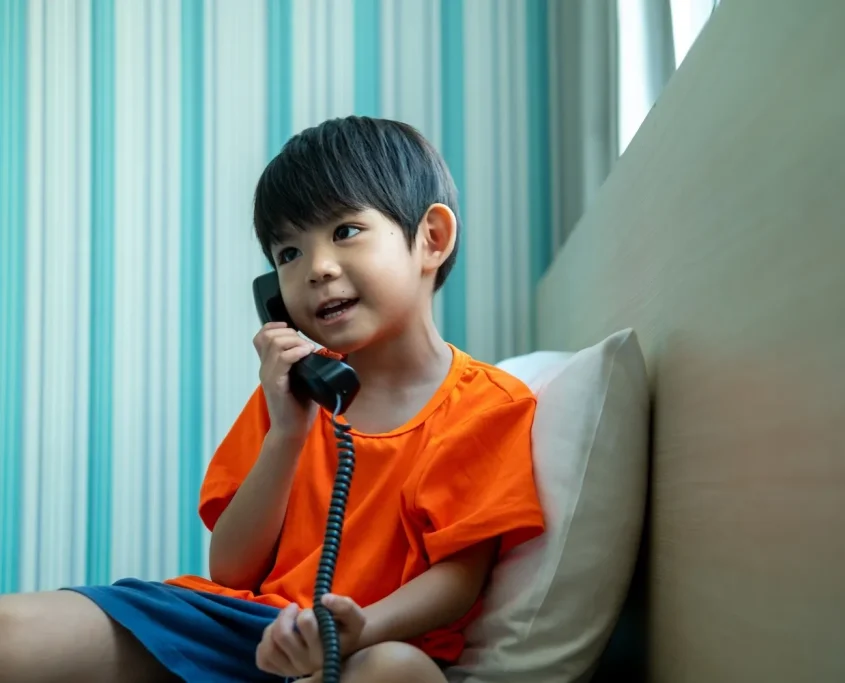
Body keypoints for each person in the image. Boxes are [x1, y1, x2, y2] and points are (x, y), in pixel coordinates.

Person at [0, 116, 546, 683]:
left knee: (396, 670)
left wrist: (355, 629)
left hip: (372, 640)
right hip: (246, 627)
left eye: (345, 231)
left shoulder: (488, 404)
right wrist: (287, 433)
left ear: (431, 237)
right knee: (12, 631)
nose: (317, 269)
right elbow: (232, 568)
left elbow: (458, 579)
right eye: (288, 253)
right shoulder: (290, 393)